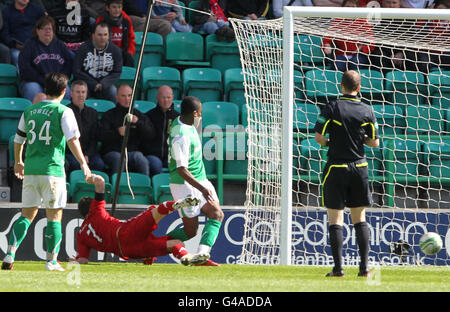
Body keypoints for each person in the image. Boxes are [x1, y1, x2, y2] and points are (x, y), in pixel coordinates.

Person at [1, 72, 91, 272]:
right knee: (54, 215)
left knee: (26, 214)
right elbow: (72, 140)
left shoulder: (30, 110)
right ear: (63, 91)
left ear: (45, 88)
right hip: (53, 170)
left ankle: (10, 253)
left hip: (31, 171)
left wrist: (18, 162)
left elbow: (18, 140)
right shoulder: (64, 111)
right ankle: (51, 261)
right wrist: (83, 164)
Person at [313, 70, 379, 277]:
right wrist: (361, 140)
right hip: (359, 167)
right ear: (358, 88)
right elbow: (375, 143)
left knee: (336, 219)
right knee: (359, 218)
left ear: (341, 86)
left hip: (336, 167)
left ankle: (338, 269)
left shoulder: (331, 108)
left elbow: (319, 137)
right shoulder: (367, 110)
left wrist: (331, 142)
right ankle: (364, 268)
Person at [70, 173, 210, 265]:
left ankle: (186, 257)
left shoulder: (81, 234)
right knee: (154, 212)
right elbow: (100, 182)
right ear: (91, 206)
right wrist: (91, 177)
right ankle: (177, 204)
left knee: (176, 243)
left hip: (128, 251)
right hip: (124, 232)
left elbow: (83, 260)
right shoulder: (95, 210)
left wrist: (73, 262)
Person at [167, 96, 223, 266]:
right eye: (200, 113)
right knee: (191, 231)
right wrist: (203, 189)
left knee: (217, 214)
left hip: (200, 179)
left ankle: (202, 255)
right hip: (184, 185)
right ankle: (154, 243)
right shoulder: (180, 135)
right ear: (193, 113)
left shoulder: (184, 122)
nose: (201, 117)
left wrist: (203, 186)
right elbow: (181, 169)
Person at [100, 84, 154, 176]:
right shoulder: (109, 115)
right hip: (113, 152)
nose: (127, 99)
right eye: (123, 96)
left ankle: (143, 188)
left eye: (129, 96)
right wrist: (117, 133)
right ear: (117, 97)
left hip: (133, 152)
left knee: (141, 160)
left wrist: (138, 123)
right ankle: (117, 188)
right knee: (119, 159)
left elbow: (151, 134)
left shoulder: (138, 115)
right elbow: (101, 135)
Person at [18, 16, 74, 102]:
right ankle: (36, 114)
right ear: (37, 31)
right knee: (33, 89)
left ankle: (60, 115)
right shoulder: (29, 45)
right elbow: (24, 68)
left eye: (50, 29)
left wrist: (58, 79)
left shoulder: (60, 45)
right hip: (34, 82)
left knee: (67, 92)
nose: (47, 31)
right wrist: (43, 79)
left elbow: (69, 65)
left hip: (56, 82)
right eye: (44, 29)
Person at [73, 21, 122, 102]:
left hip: (105, 86)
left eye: (105, 35)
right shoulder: (83, 48)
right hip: (86, 84)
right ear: (93, 35)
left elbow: (117, 72)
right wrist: (93, 84)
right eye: (99, 35)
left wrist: (103, 84)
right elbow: (76, 70)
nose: (102, 38)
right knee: (80, 92)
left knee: (114, 92)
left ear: (108, 36)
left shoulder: (116, 50)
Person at [322, 0, 374, 72]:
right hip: (341, 54)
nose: (350, 9)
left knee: (355, 63)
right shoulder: (338, 21)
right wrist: (327, 45)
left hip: (359, 55)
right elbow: (327, 39)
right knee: (338, 65)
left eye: (353, 7)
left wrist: (361, 48)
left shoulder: (363, 21)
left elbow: (371, 41)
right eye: (348, 7)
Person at [66, 80, 105, 174]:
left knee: (99, 164)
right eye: (78, 92)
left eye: (83, 92)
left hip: (89, 152)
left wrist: (87, 154)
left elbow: (94, 138)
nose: (81, 95)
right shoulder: (66, 112)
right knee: (75, 164)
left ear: (86, 94)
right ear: (71, 93)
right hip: (70, 152)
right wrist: (80, 156)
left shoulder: (93, 113)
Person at [143, 85, 180, 177]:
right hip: (152, 155)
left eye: (168, 97)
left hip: (171, 156)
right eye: (163, 97)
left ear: (172, 98)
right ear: (157, 98)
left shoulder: (178, 118)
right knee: (156, 165)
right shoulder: (149, 116)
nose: (166, 100)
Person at [0, 0, 46, 67]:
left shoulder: (37, 9)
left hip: (37, 45)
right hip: (17, 47)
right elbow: (4, 34)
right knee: (17, 57)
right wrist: (15, 44)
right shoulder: (6, 11)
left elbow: (46, 27)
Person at [96, 0, 136, 67]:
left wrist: (130, 52)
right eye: (114, 7)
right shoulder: (101, 20)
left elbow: (131, 39)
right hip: (105, 53)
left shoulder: (126, 21)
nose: (117, 10)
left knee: (129, 59)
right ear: (107, 8)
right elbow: (95, 40)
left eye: (119, 7)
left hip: (122, 53)